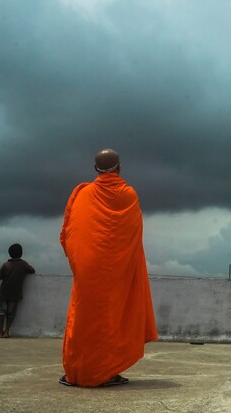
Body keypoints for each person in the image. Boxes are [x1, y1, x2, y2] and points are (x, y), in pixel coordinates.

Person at [59, 149, 158, 387]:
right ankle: (106, 371)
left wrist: (80, 263)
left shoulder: (82, 194)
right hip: (117, 271)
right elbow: (133, 237)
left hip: (87, 268)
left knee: (85, 316)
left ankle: (78, 371)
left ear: (95, 169)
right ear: (120, 167)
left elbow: (69, 234)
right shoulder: (128, 195)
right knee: (112, 316)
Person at [0, 243, 36, 338]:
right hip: (15, 293)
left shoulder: (6, 264)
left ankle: (0, 332)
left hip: (3, 292)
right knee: (11, 313)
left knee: (1, 312)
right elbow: (32, 270)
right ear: (21, 253)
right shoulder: (23, 264)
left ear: (9, 253)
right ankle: (7, 332)